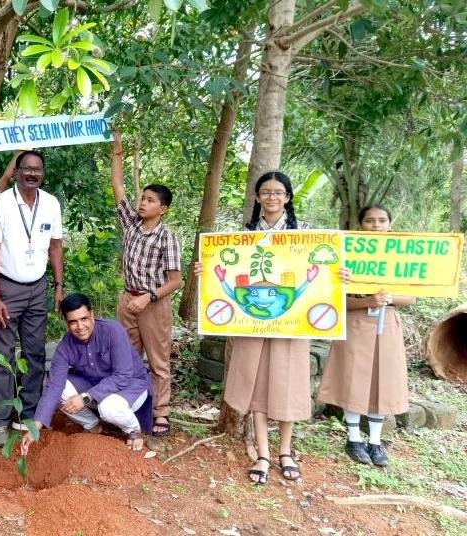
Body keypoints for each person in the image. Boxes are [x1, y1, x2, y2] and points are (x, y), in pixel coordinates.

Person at [195, 171, 336, 485]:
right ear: (258, 197)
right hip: (253, 325)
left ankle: (285, 451)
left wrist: (339, 275)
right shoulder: (243, 237)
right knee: (257, 384)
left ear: (287, 197)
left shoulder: (305, 235)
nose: (272, 197)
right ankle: (263, 453)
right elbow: (226, 276)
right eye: (266, 192)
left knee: (289, 384)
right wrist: (207, 269)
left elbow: (322, 275)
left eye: (278, 192)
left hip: (292, 325)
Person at [318, 204, 411, 467]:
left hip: (387, 323)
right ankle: (354, 439)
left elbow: (411, 297)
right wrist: (368, 301)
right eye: (370, 221)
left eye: (382, 220)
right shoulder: (346, 256)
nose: (376, 225)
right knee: (353, 377)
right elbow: (336, 299)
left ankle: (376, 442)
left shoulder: (400, 257)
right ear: (360, 225)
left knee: (382, 379)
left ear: (390, 224)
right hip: (356, 321)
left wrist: (389, 298)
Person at [0, 150, 64, 448]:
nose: (33, 174)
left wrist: (58, 285)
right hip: (7, 288)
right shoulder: (2, 203)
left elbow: (55, 246)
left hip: (38, 288)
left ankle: (29, 414)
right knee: (3, 356)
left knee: (35, 353)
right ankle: (1, 420)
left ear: (43, 174)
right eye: (27, 169)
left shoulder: (51, 203)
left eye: (38, 169)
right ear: (17, 172)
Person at [109, 132, 182, 437]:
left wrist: (149, 297)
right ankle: (128, 408)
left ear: (162, 209)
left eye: (150, 200)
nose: (143, 203)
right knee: (126, 357)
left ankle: (161, 413)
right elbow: (117, 186)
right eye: (143, 198)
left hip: (154, 304)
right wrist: (117, 152)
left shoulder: (167, 237)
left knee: (158, 360)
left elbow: (176, 281)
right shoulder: (131, 225)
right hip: (128, 300)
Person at [22, 294, 153, 454]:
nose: (80, 326)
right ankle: (93, 425)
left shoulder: (112, 331)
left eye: (84, 319)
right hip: (94, 386)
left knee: (109, 408)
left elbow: (123, 375)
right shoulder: (65, 346)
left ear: (92, 315)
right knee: (60, 390)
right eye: (73, 322)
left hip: (130, 385)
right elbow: (54, 386)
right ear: (66, 323)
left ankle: (133, 429)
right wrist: (35, 427)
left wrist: (86, 397)